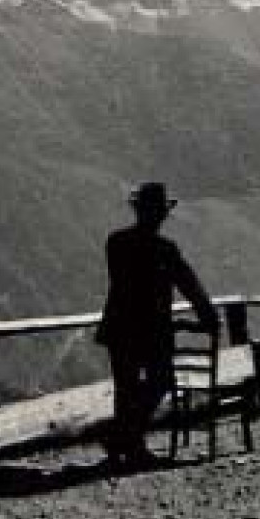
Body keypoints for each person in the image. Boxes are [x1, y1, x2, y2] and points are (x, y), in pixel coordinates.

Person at [94, 182, 218, 468]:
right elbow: (190, 285)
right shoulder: (165, 250)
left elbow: (125, 284)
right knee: (158, 382)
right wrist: (207, 317)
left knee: (126, 388)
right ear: (160, 214)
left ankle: (124, 443)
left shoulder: (117, 243)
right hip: (152, 330)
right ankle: (127, 441)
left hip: (120, 328)